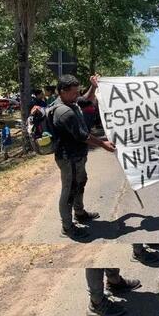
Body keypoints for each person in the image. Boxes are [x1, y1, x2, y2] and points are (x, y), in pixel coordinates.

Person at [52, 74, 116, 239]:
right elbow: (83, 136)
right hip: (68, 158)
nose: (76, 96)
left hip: (78, 156)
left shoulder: (71, 101)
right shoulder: (63, 111)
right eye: (73, 93)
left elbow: (86, 98)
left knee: (81, 182)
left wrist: (93, 86)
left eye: (77, 92)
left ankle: (79, 213)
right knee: (69, 190)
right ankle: (67, 227)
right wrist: (103, 144)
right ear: (62, 92)